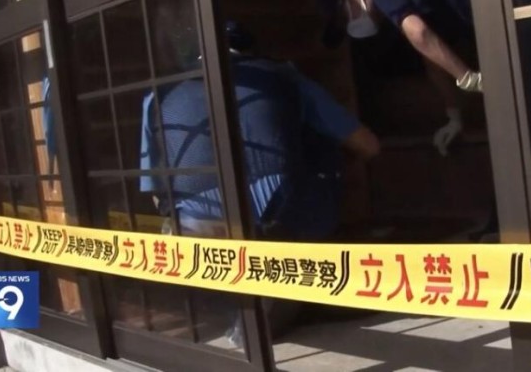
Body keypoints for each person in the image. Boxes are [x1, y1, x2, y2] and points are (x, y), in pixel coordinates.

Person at [140, 20, 379, 344]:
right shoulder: (284, 77)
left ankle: (243, 302)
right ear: (249, 49)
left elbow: (155, 191)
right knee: (320, 149)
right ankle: (283, 289)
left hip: (194, 230)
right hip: (277, 216)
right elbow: (367, 145)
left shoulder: (157, 96)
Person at [319, 0, 481, 155]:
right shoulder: (398, 11)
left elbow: (421, 34)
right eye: (343, 26)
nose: (349, 24)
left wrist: (467, 78)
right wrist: (454, 118)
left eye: (344, 17)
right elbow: (432, 60)